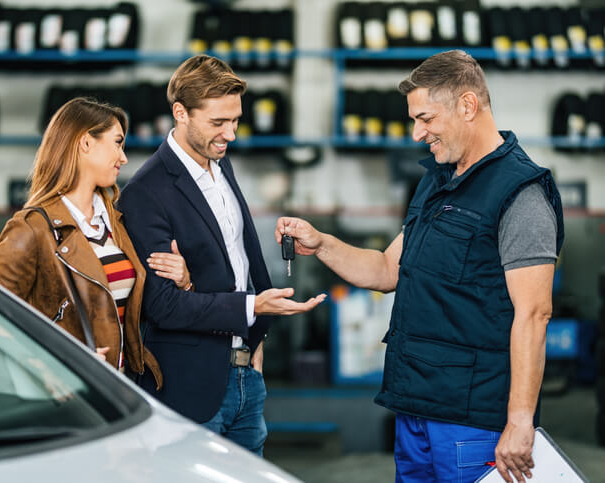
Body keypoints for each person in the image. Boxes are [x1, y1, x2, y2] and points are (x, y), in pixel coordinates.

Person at [276, 50, 564, 483]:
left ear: (468, 106)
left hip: (474, 421)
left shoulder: (520, 194)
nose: (417, 133)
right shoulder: (437, 180)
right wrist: (323, 244)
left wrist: (520, 421)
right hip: (415, 405)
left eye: (425, 118)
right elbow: (387, 269)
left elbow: (534, 314)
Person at [118, 55, 326, 455]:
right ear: (180, 113)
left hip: (246, 376)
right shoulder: (146, 193)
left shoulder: (220, 165)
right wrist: (251, 308)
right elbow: (161, 306)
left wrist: (255, 340)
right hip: (191, 389)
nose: (230, 134)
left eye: (235, 120)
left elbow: (236, 262)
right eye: (218, 122)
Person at [0, 97, 193, 389]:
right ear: (86, 143)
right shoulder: (31, 228)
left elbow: (135, 308)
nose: (123, 158)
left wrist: (183, 281)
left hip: (122, 388)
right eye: (117, 143)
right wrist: (53, 363)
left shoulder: (116, 221)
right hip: (68, 396)